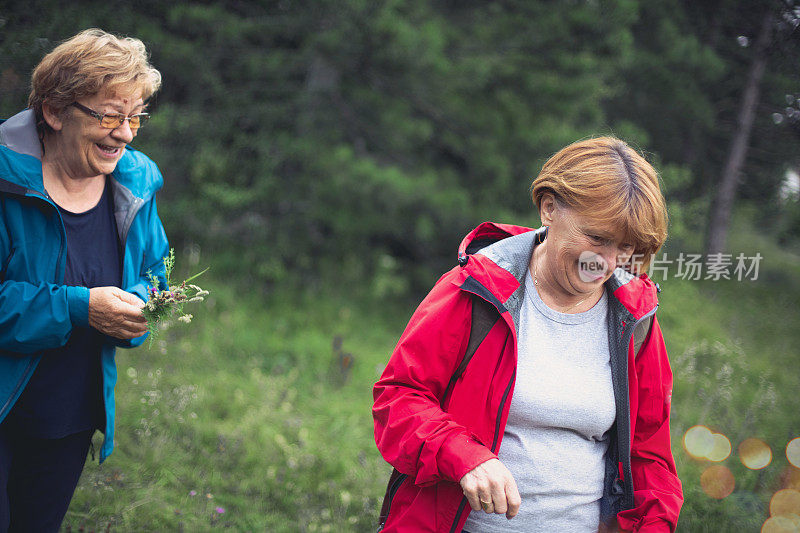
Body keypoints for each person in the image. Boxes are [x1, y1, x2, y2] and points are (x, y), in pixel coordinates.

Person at [373, 137, 683, 532]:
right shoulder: (476, 290)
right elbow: (398, 397)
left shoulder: (635, 319)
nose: (606, 263)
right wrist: (464, 455)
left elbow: (649, 456)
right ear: (549, 207)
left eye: (625, 247)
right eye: (597, 238)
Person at [0, 29, 169, 531]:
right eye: (110, 115)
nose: (127, 133)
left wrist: (139, 309)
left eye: (135, 116)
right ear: (54, 111)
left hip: (68, 418)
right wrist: (78, 307)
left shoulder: (134, 181)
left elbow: (154, 273)